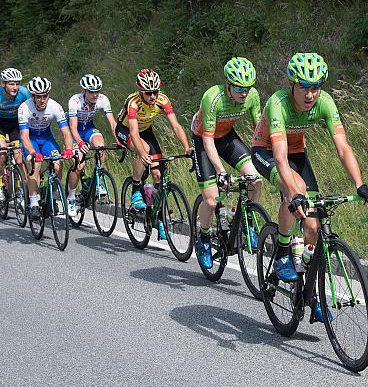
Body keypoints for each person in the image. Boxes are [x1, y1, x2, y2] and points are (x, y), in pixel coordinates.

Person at [251, 53, 368, 292]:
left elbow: (343, 147)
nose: (310, 95)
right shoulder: (278, 103)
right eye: (304, 88)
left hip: (298, 152)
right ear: (292, 85)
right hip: (266, 151)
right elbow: (280, 157)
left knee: (313, 227)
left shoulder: (326, 102)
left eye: (316, 88)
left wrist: (360, 185)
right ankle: (281, 252)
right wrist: (293, 193)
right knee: (296, 191)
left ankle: (309, 293)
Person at [192, 57, 264, 269]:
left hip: (227, 137)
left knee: (255, 179)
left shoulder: (252, 97)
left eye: (247, 88)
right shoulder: (213, 97)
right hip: (204, 140)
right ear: (228, 85)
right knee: (212, 200)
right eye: (239, 88)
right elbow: (207, 139)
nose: (244, 93)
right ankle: (204, 238)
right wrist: (221, 171)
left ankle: (246, 222)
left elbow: (258, 129)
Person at [114, 68, 192, 239]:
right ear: (140, 91)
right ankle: (135, 189)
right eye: (148, 93)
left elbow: (176, 126)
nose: (153, 96)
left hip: (146, 131)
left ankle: (158, 217)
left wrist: (187, 148)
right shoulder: (133, 102)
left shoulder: (162, 100)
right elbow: (134, 133)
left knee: (158, 175)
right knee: (144, 150)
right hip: (125, 130)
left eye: (155, 92)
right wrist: (142, 154)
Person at [18, 76, 74, 218]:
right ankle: (33, 202)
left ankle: (52, 196)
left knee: (57, 163)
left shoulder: (55, 106)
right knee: (35, 165)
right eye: (39, 96)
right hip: (31, 139)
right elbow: (24, 136)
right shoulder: (24, 108)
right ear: (33, 96)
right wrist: (32, 152)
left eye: (45, 96)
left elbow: (66, 133)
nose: (42, 100)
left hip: (46, 138)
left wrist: (68, 149)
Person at [65, 73, 117, 216]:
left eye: (97, 91)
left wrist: (119, 138)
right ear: (84, 91)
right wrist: (80, 143)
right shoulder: (75, 101)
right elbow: (73, 128)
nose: (95, 95)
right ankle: (71, 197)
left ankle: (99, 179)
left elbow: (112, 123)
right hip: (74, 132)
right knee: (79, 164)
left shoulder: (103, 99)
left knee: (100, 146)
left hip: (88, 127)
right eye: (91, 92)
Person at [0, 68, 30, 202]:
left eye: (17, 83)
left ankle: (19, 188)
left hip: (16, 124)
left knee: (18, 158)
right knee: (2, 154)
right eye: (11, 84)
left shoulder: (24, 93)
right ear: (3, 84)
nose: (15, 87)